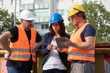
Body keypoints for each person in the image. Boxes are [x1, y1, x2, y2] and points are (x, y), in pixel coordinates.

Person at [60, 4, 96, 73]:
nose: (71, 19)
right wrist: (65, 50)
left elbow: (89, 45)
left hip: (84, 64)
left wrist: (72, 43)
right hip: (76, 64)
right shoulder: (76, 31)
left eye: (73, 16)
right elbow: (76, 48)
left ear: (80, 16)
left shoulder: (88, 27)